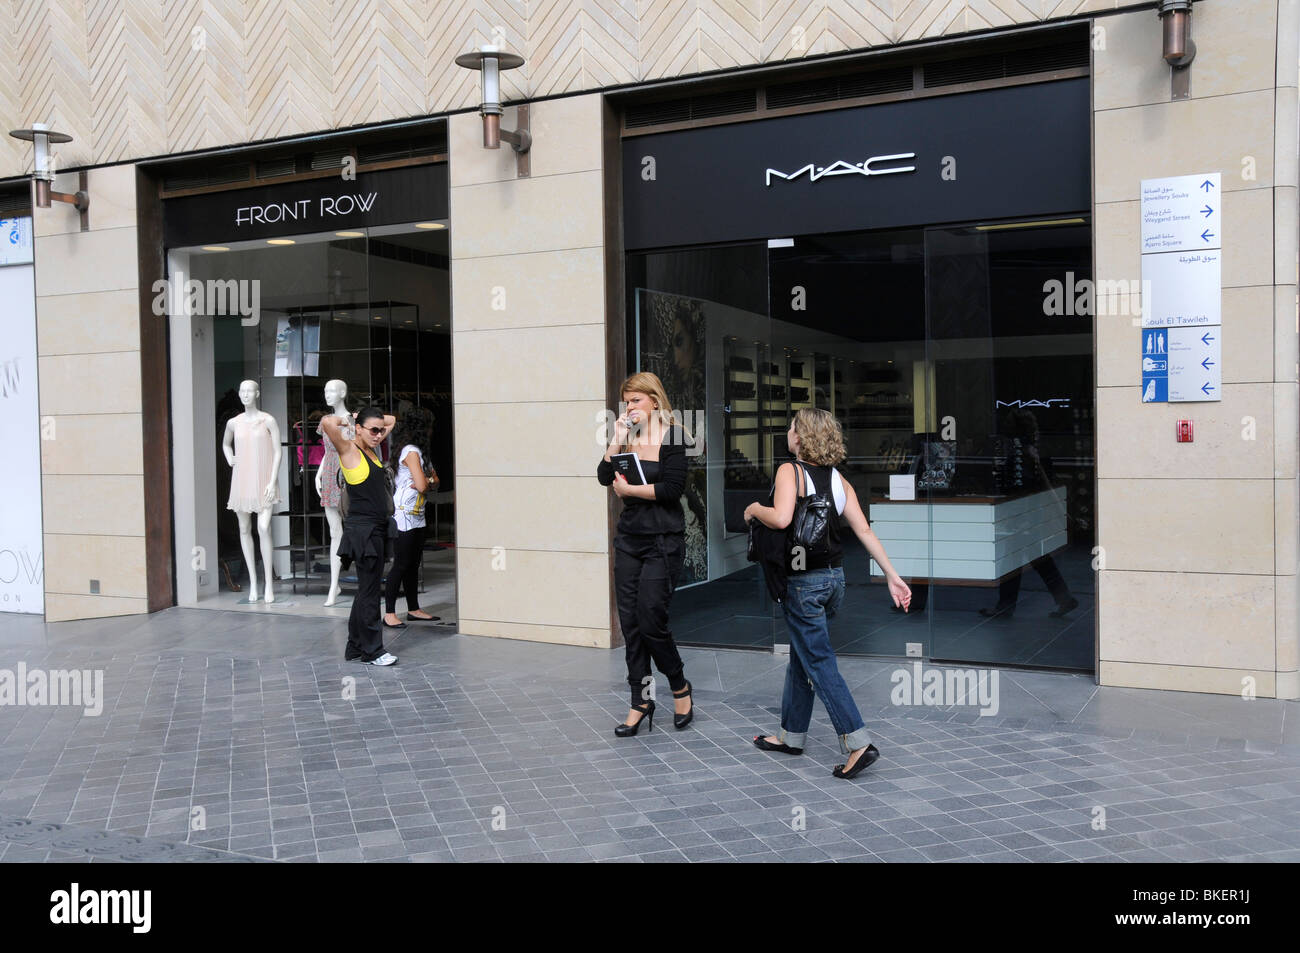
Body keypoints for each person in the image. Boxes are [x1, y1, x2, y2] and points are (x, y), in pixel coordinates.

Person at [744, 408, 912, 779]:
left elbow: (783, 518)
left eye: (791, 428)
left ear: (800, 438)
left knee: (818, 661)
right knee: (803, 658)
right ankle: (791, 735)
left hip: (803, 583)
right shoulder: (839, 480)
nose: (787, 433)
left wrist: (755, 509)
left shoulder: (790, 470)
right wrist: (892, 575)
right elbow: (864, 531)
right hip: (834, 581)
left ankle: (857, 742)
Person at [597, 372, 695, 736]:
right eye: (626, 402)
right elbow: (602, 476)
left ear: (654, 400)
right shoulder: (627, 438)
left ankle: (680, 685)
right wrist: (616, 439)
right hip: (630, 540)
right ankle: (640, 700)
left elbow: (672, 489)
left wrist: (632, 493)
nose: (629, 408)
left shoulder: (675, 436)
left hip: (663, 541)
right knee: (631, 624)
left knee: (652, 618)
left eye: (635, 400)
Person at [321, 406, 398, 666]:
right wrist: (350, 421)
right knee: (370, 593)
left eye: (381, 431)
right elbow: (328, 422)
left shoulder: (371, 449)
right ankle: (372, 651)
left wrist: (368, 424)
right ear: (359, 429)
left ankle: (354, 647)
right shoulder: (350, 450)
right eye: (374, 430)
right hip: (362, 531)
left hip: (375, 529)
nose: (379, 435)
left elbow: (392, 419)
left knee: (366, 590)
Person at [383, 408, 441, 629]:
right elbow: (427, 484)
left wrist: (425, 482)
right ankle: (389, 613)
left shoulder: (420, 453)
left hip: (418, 514)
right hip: (404, 515)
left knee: (413, 564)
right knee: (401, 564)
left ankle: (413, 609)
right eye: (429, 426)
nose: (432, 431)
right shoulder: (411, 452)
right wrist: (426, 482)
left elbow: (435, 481)